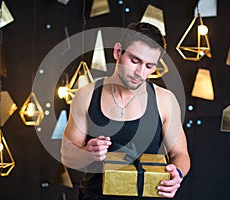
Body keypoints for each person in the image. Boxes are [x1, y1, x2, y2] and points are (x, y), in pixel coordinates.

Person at [61, 22, 190, 199]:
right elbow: (67, 156)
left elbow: (180, 154)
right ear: (117, 52)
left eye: (149, 66)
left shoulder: (165, 100)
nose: (140, 72)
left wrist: (177, 174)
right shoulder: (86, 95)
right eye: (135, 61)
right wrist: (89, 153)